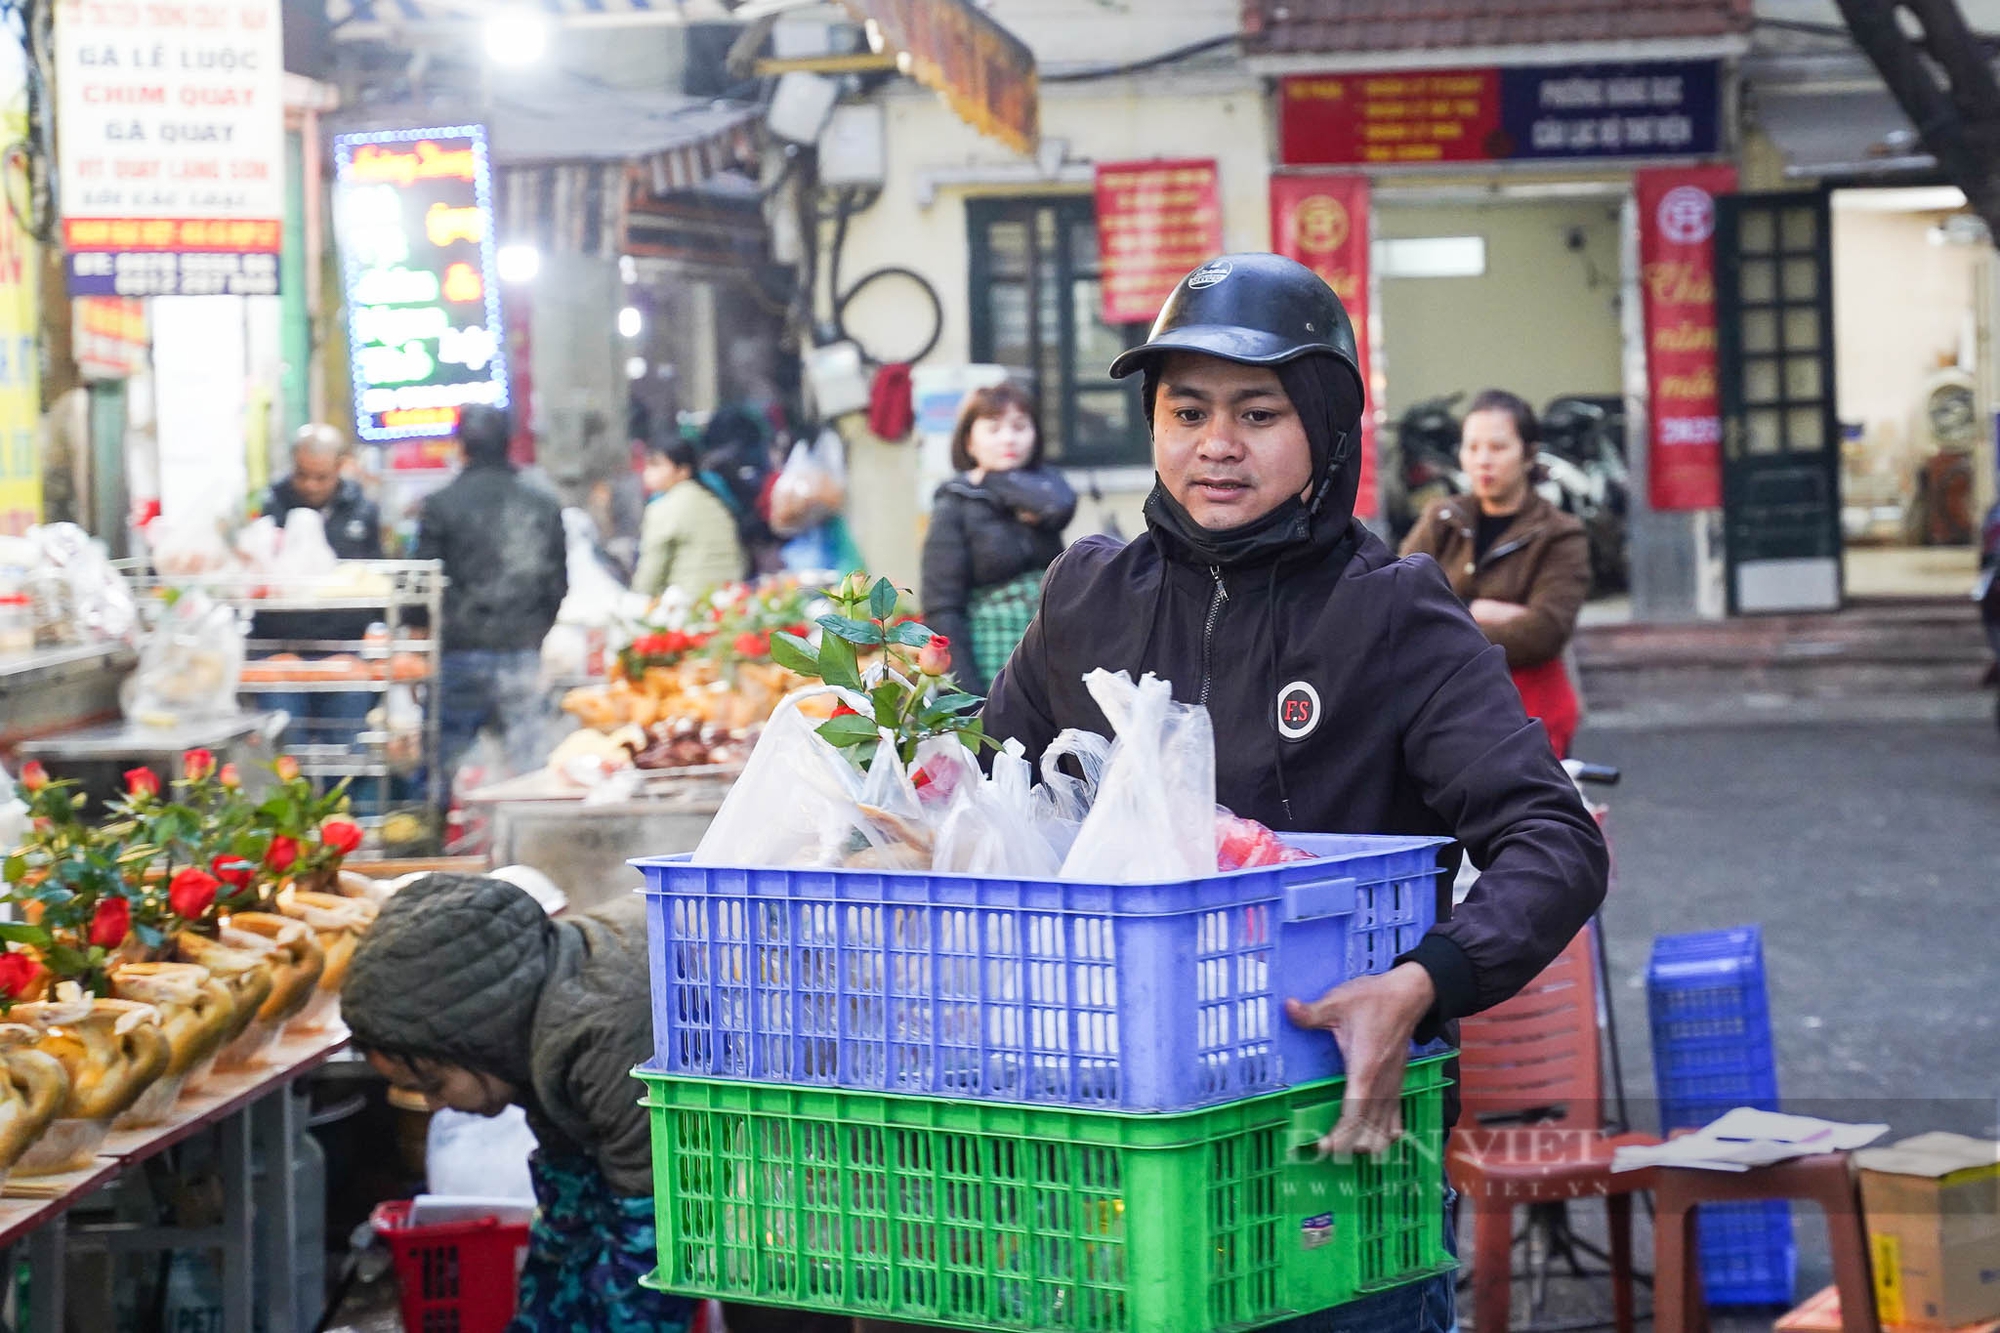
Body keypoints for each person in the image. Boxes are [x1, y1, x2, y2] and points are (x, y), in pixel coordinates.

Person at [981, 254, 1609, 1333]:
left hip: (1331, 1161)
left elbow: (1550, 839)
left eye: (1256, 411)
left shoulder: (1395, 615)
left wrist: (1421, 981)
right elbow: (990, 799)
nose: (1214, 443)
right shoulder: (1085, 596)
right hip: (1105, 1153)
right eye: (1184, 410)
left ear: (1322, 425)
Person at [341, 875, 852, 1333]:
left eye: (433, 1082)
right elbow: (569, 1224)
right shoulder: (532, 1023)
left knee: (776, 1305)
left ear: (474, 1036)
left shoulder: (604, 1039)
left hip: (817, 1166)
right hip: (720, 1170)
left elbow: (656, 1260)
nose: (434, 1107)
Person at [1399, 391, 1592, 758]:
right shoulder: (1442, 518)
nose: (1482, 461)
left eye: (1498, 447)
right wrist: (1478, 608)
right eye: (1472, 448)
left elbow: (1545, 632)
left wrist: (1443, 620)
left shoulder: (1560, 532)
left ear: (1529, 453)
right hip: (1443, 709)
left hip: (1529, 712)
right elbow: (1398, 604)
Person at [413, 405, 568, 783]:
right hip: (521, 649)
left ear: (460, 446)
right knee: (530, 762)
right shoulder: (542, 504)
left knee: (445, 762)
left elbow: (423, 584)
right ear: (509, 445)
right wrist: (534, 632)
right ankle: (531, 835)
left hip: (460, 651)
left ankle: (441, 833)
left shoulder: (440, 505)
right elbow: (558, 583)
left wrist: (422, 637)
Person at [919, 382, 1077, 696]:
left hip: (1050, 650)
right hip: (989, 659)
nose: (1009, 438)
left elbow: (1057, 505)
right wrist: (966, 694)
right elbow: (942, 607)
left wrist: (992, 478)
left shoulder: (1044, 487)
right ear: (969, 441)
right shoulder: (954, 504)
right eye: (993, 429)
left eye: (1019, 427)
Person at [257, 425, 383, 750]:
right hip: (278, 649)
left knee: (346, 755)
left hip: (344, 649)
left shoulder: (362, 510)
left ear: (340, 466)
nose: (310, 485)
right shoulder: (268, 508)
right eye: (302, 475)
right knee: (283, 755)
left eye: (321, 477)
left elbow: (376, 574)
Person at [630, 436, 747, 603]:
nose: (648, 472)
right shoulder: (712, 496)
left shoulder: (664, 506)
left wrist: (636, 600)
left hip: (690, 601)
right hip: (730, 596)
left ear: (683, 471)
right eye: (647, 465)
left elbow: (652, 568)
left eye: (656, 465)